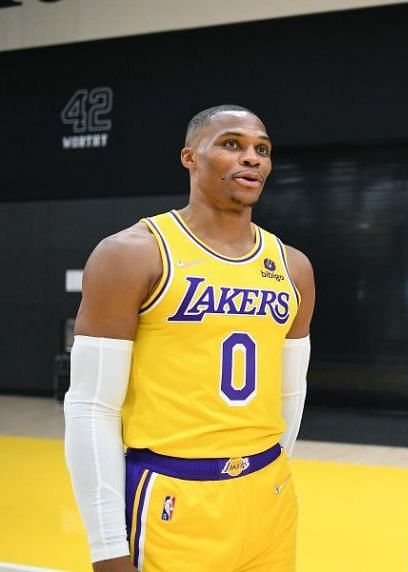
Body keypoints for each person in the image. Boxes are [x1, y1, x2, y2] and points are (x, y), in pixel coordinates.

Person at [64, 104, 315, 572]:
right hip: (173, 495)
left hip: (270, 497)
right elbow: (91, 405)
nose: (252, 158)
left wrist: (272, 474)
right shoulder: (132, 255)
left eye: (262, 150)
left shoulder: (292, 266)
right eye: (231, 144)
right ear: (189, 157)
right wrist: (106, 547)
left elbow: (290, 391)